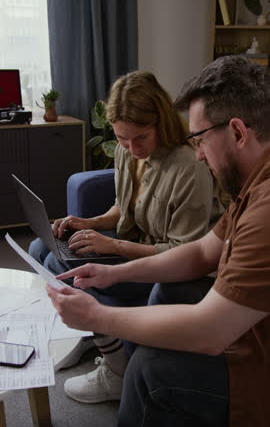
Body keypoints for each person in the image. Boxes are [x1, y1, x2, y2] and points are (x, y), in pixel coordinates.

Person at [47, 55, 270, 427]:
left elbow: (211, 331)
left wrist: (98, 315)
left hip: (259, 364)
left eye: (199, 137)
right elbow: (201, 252)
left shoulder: (264, 211)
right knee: (167, 297)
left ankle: (131, 376)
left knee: (150, 372)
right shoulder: (252, 186)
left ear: (237, 132)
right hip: (245, 324)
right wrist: (114, 274)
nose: (198, 152)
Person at [32, 70, 222, 404]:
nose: (131, 148)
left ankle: (117, 372)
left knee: (61, 264)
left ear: (161, 123)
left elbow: (186, 252)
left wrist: (113, 245)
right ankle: (94, 335)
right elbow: (124, 205)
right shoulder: (125, 152)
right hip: (136, 245)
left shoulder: (189, 166)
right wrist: (87, 221)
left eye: (140, 138)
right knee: (40, 246)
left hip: (170, 266)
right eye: (122, 138)